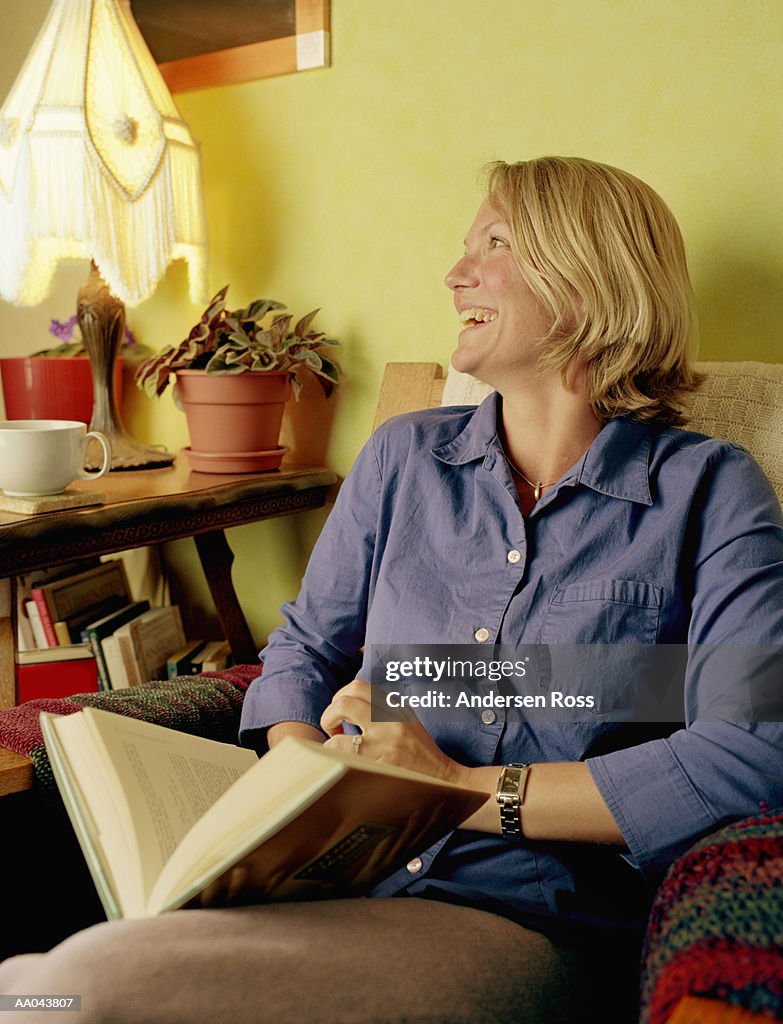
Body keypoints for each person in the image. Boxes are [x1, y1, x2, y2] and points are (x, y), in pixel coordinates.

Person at [2, 157, 781, 1024]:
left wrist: (452, 786)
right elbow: (302, 649)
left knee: (77, 994)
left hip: (514, 916)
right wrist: (305, 773)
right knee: (45, 984)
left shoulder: (711, 491)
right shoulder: (404, 456)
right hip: (321, 877)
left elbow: (750, 753)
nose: (455, 275)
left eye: (493, 244)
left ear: (591, 278)